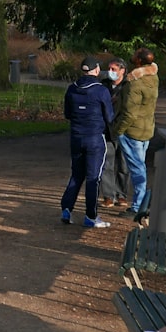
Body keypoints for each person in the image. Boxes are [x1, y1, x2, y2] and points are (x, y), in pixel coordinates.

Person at [60, 56, 115, 228]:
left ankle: (66, 209)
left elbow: (67, 114)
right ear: (97, 70)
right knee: (93, 177)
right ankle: (91, 216)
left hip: (76, 137)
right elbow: (109, 116)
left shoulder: (72, 89)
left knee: (76, 174)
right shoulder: (101, 90)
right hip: (95, 138)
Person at [114, 47, 159, 216]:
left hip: (132, 131)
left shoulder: (135, 83)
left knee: (137, 169)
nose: (132, 54)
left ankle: (138, 207)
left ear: (139, 60)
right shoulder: (153, 77)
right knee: (140, 167)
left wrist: (118, 130)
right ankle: (141, 204)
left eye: (136, 53)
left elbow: (130, 113)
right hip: (146, 127)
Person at [100, 58, 131, 208]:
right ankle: (108, 196)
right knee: (107, 164)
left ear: (122, 71)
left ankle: (122, 195)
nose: (110, 72)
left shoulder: (128, 86)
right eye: (109, 69)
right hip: (107, 130)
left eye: (114, 69)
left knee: (123, 166)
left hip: (124, 131)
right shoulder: (104, 85)